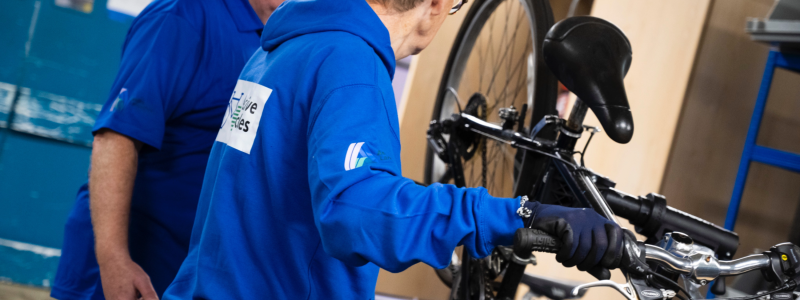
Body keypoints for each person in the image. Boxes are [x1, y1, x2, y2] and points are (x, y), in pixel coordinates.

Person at [163, 0, 624, 299]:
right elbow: (354, 208)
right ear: (436, 6)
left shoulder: (274, 53)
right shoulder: (352, 65)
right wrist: (518, 214)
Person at [50, 0, 284, 299]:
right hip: (131, 263)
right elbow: (116, 137)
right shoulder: (180, 15)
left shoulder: (280, 37)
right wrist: (114, 259)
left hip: (188, 267)